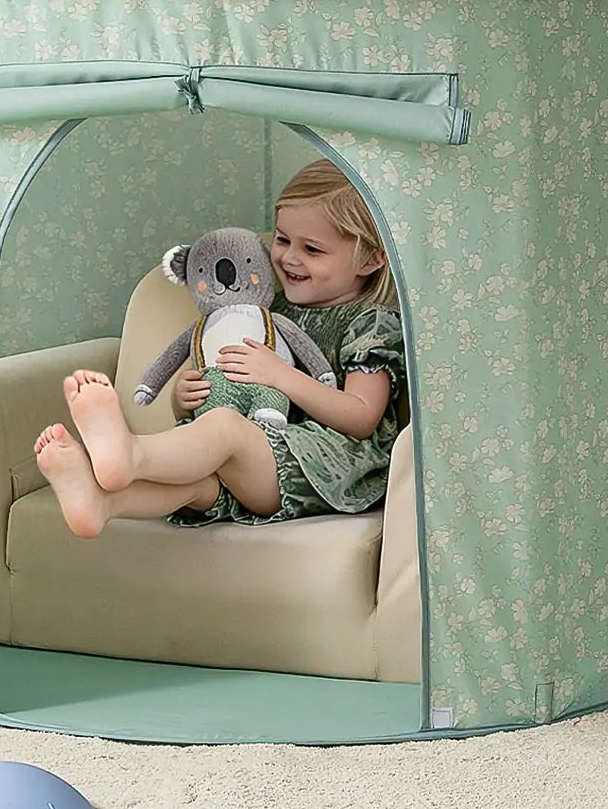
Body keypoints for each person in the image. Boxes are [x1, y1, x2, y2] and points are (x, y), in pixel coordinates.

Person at [34, 158, 407, 536]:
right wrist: (184, 399)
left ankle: (131, 455)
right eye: (282, 240)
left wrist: (281, 376)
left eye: (312, 249)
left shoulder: (371, 323)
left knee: (225, 428)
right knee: (198, 477)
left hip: (323, 469)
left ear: (371, 258)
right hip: (255, 463)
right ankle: (103, 503)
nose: (289, 257)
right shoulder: (266, 308)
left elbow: (362, 417)